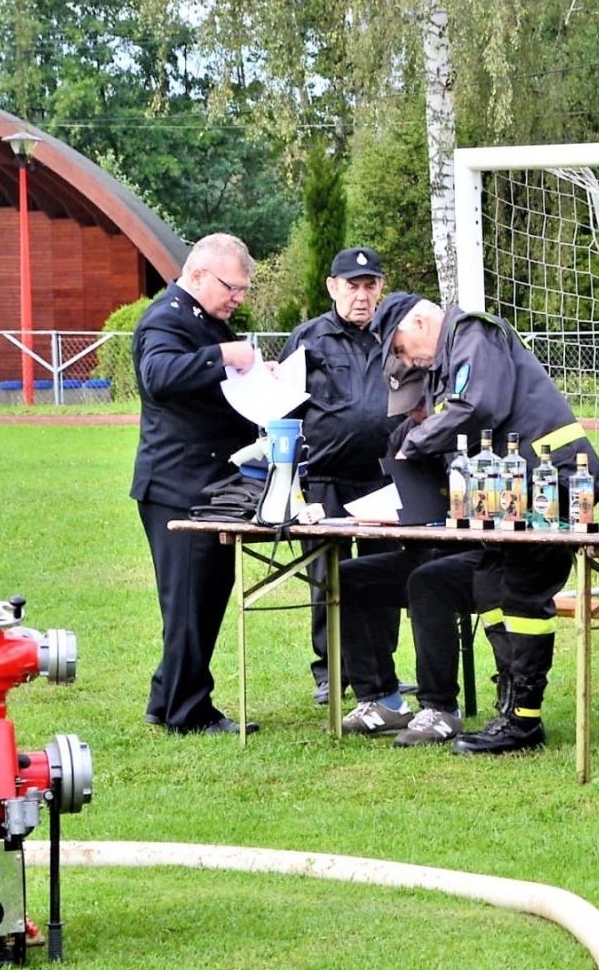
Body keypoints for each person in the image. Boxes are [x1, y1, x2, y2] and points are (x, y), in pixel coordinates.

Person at [379, 291, 599, 755]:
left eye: (402, 350)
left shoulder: (472, 333)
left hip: (555, 484)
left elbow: (476, 407)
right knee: (488, 584)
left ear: (420, 322)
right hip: (514, 491)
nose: (411, 362)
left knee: (522, 590)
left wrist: (417, 444)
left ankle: (524, 722)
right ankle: (510, 707)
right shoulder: (453, 352)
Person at [130, 233, 263, 735]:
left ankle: (166, 699)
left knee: (204, 595)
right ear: (200, 274)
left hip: (207, 486)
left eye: (244, 290)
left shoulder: (204, 321)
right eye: (234, 287)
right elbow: (159, 375)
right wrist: (226, 356)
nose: (239, 298)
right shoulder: (166, 318)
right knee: (189, 601)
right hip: (178, 487)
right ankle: (190, 713)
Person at [279, 246, 402, 708]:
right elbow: (283, 410)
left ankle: (382, 671)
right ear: (333, 288)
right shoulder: (308, 339)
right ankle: (331, 672)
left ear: (380, 289)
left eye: (370, 285)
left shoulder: (395, 336)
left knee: (384, 578)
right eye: (352, 285)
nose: (362, 295)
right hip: (325, 478)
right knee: (326, 578)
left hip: (386, 479)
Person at [336, 375, 482, 746]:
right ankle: (381, 699)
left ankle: (440, 708)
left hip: (475, 555)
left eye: (420, 405)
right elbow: (398, 498)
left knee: (428, 580)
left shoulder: (470, 432)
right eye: (406, 409)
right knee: (346, 577)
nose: (415, 415)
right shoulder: (404, 433)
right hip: (421, 549)